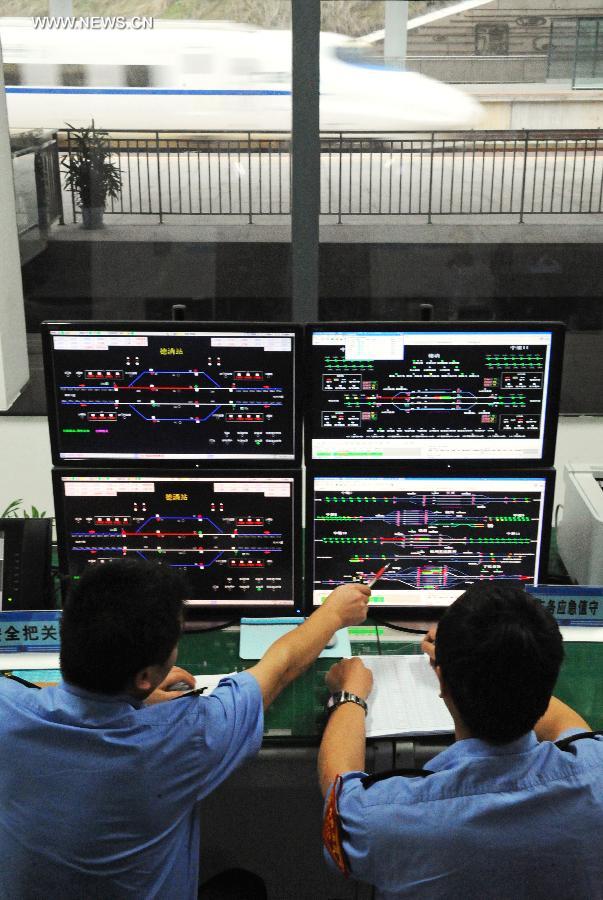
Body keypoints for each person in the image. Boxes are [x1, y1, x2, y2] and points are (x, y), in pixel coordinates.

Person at [0, 558, 370, 900]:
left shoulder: (7, 708)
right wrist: (334, 613)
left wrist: (133, 695)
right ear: (145, 675)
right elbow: (281, 667)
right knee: (245, 886)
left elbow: (42, 692)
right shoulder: (185, 735)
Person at [318, 582, 603, 900]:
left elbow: (338, 796)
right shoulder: (597, 771)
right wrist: (501, 660)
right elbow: (574, 728)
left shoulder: (385, 818)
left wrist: (349, 694)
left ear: (442, 681)